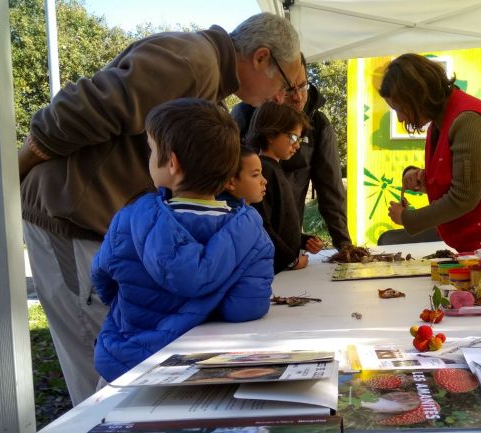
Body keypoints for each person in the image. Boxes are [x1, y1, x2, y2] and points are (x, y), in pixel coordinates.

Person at [17, 13, 301, 405]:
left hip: (96, 222)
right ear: (260, 57)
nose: (283, 97)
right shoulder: (192, 61)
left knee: (123, 361)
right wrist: (20, 164)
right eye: (286, 84)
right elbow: (78, 108)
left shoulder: (208, 79)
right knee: (102, 369)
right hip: (69, 218)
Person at [91, 98, 274, 383]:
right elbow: (245, 308)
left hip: (126, 361)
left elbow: (103, 279)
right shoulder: (253, 236)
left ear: (172, 163)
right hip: (202, 369)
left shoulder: (128, 220)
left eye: (151, 151)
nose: (149, 158)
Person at [379, 53, 481, 263]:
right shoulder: (440, 122)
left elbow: (463, 197)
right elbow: (461, 177)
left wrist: (408, 218)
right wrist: (423, 179)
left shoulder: (469, 121)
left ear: (417, 94)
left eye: (400, 108)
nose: (400, 118)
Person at [232, 55, 353, 251]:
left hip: (288, 242)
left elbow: (331, 190)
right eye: (288, 89)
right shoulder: (243, 115)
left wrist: (344, 244)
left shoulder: (318, 124)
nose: (298, 97)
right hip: (247, 241)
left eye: (303, 85)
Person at [246, 102, 324, 273]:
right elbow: (262, 225)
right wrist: (291, 261)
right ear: (271, 135)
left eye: (299, 139)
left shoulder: (274, 169)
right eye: (293, 138)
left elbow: (280, 223)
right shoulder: (265, 171)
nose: (297, 145)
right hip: (274, 272)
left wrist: (304, 241)